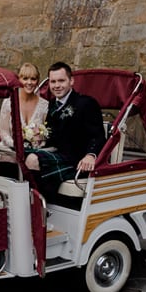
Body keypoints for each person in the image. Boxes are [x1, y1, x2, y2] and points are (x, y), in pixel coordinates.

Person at [25, 61, 106, 195]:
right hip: (54, 153)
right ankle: (33, 201)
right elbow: (48, 135)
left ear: (71, 81)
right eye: (53, 81)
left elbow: (98, 136)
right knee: (18, 156)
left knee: (32, 159)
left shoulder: (86, 103)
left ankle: (38, 204)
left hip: (76, 159)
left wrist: (91, 155)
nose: (57, 86)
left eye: (61, 81)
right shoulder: (48, 105)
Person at [0, 63, 49, 149]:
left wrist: (37, 142)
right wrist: (18, 146)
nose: (29, 82)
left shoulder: (44, 105)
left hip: (34, 151)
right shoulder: (8, 102)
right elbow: (4, 132)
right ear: (18, 80)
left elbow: (46, 134)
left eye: (33, 79)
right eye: (25, 78)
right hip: (10, 149)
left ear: (37, 81)